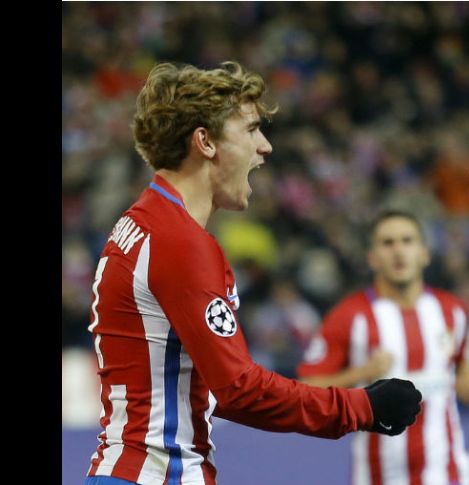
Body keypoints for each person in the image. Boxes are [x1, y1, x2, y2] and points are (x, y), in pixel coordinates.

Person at [84, 61, 421, 485]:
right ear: (204, 142)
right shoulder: (179, 242)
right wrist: (360, 407)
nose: (265, 147)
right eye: (251, 130)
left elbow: (205, 383)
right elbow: (239, 389)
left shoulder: (139, 224)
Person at [297, 210, 469, 485]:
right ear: (372, 257)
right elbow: (307, 387)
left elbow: (457, 369)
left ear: (424, 253)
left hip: (448, 473)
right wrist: (361, 373)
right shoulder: (349, 316)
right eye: (387, 243)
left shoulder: (452, 310)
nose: (398, 251)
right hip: (377, 475)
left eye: (407, 241)